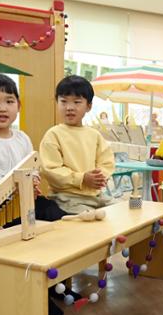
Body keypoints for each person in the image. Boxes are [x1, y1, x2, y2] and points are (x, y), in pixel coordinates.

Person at [0, 73, 67, 224]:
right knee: (20, 224)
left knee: (51, 209)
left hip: (20, 201)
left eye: (9, 101)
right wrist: (12, 188)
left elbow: (32, 169)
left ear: (18, 106)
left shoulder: (22, 138)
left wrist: (32, 183)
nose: (2, 108)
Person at [39, 75, 115, 214]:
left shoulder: (94, 135)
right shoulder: (53, 134)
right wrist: (82, 178)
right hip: (66, 198)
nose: (69, 107)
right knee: (89, 221)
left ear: (89, 106)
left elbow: (107, 162)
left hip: (96, 196)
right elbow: (50, 169)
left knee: (120, 211)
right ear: (57, 103)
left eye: (77, 102)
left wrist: (98, 177)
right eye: (63, 101)